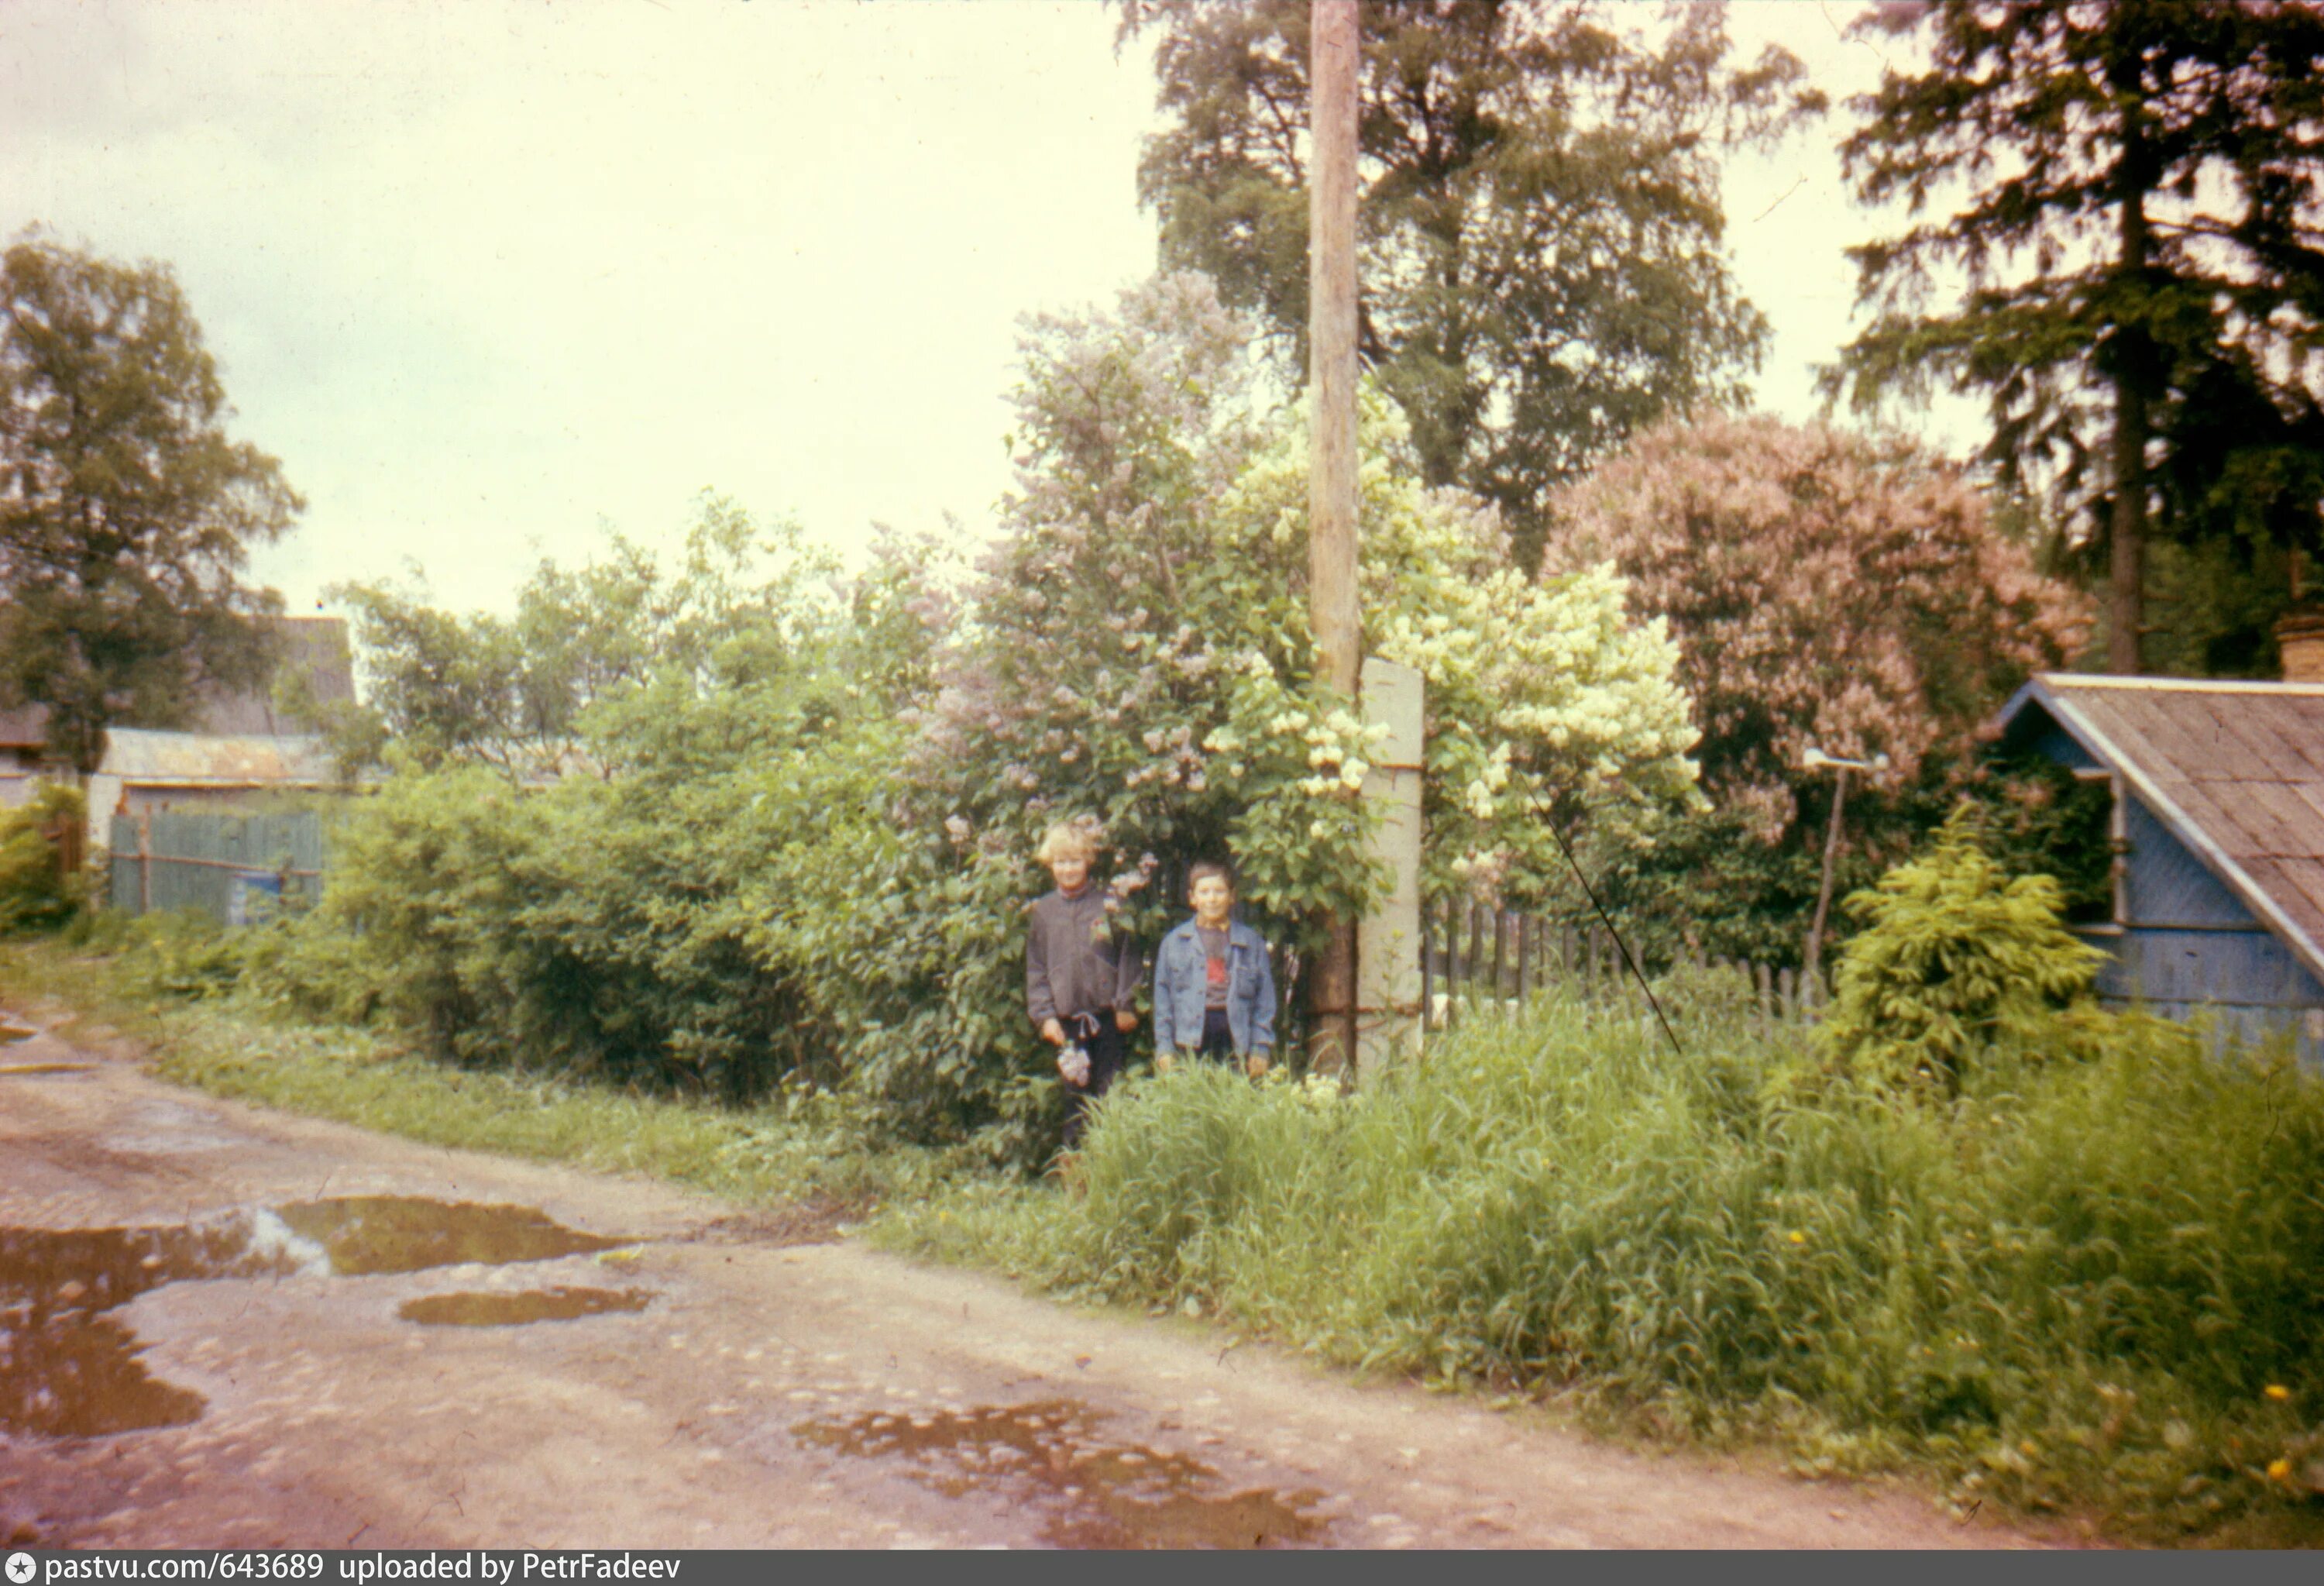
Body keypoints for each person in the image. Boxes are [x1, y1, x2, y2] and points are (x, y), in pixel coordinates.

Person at [1025, 821, 1143, 1150]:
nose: (1068, 869)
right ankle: (1075, 1171)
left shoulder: (1109, 904)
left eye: (1075, 860)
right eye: (1061, 861)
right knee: (1075, 1097)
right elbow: (1035, 968)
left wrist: (1126, 1004)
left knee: (1111, 1092)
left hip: (1108, 1018)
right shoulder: (1044, 912)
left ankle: (1113, 1164)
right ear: (1051, 864)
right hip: (1068, 1022)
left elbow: (1129, 956)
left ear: (1088, 861)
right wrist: (1045, 1016)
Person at [1150, 862, 1275, 1080]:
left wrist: (1260, 1048)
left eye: (1219, 891)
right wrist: (1165, 1048)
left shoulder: (1251, 943)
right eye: (1204, 892)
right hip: (1188, 1042)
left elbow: (1264, 1001)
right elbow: (1163, 1002)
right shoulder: (1174, 943)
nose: (1212, 899)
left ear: (1232, 896)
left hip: (1236, 1041)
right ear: (1192, 898)